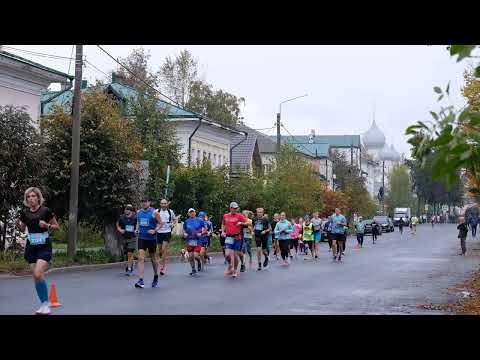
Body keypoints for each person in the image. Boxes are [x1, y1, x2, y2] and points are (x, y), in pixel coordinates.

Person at [17, 187, 60, 315]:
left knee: (37, 273)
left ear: (38, 197)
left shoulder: (46, 211)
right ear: (26, 199)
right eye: (28, 197)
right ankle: (43, 304)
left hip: (44, 246)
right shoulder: (24, 213)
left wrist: (46, 225)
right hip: (31, 246)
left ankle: (46, 304)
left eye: (33, 196)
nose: (31, 199)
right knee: (37, 277)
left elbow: (57, 227)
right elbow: (22, 228)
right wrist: (18, 225)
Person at [135, 197, 161, 289]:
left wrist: (155, 230)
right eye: (142, 202)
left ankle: (155, 275)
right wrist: (137, 229)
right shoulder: (139, 212)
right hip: (142, 238)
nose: (144, 203)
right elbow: (138, 222)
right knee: (141, 258)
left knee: (153, 258)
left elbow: (160, 223)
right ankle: (141, 280)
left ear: (149, 202)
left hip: (151, 238)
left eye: (145, 202)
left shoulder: (154, 212)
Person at [221, 202, 251, 278]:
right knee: (227, 255)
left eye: (236, 208)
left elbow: (249, 222)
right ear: (230, 208)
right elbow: (223, 224)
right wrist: (223, 231)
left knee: (235, 255)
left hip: (237, 237)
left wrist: (241, 223)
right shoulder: (225, 216)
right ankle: (230, 265)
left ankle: (234, 270)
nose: (235, 210)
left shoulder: (239, 216)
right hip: (228, 237)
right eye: (233, 208)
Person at [154, 199, 176, 276]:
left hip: (167, 232)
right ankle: (162, 258)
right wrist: (156, 225)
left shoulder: (170, 212)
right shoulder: (157, 211)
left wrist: (172, 224)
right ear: (160, 204)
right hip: (159, 232)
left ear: (167, 204)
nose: (163, 205)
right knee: (160, 250)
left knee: (163, 249)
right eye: (162, 203)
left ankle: (162, 267)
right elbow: (153, 219)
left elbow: (174, 219)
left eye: (165, 203)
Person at [183, 208, 206, 276]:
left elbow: (205, 228)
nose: (192, 213)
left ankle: (198, 262)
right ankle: (193, 269)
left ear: (195, 213)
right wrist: (184, 234)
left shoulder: (200, 220)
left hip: (198, 241)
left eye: (193, 212)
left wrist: (201, 233)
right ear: (188, 214)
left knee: (195, 256)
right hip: (189, 240)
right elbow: (184, 230)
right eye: (190, 212)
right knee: (190, 256)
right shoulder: (186, 221)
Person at [116, 204, 137, 275]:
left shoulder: (135, 218)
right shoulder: (121, 217)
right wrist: (120, 230)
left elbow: (138, 225)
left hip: (132, 238)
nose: (126, 211)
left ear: (131, 211)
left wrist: (136, 230)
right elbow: (117, 224)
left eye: (128, 209)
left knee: (129, 253)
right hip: (124, 238)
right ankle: (131, 263)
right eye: (125, 209)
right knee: (126, 254)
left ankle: (129, 268)